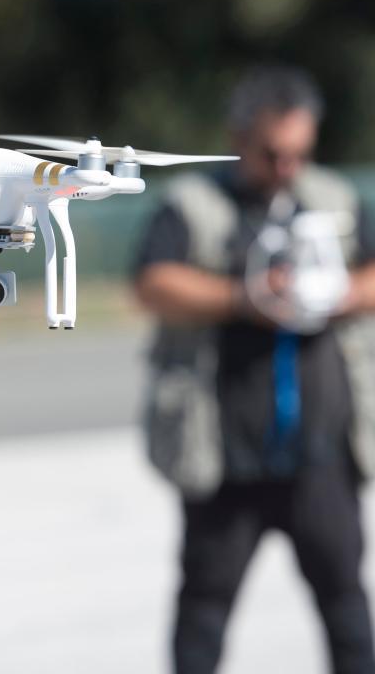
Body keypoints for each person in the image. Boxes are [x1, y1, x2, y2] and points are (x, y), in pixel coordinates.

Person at [133, 66, 375, 674]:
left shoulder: (334, 199)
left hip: (322, 458)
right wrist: (246, 298)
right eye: (273, 154)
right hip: (225, 457)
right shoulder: (196, 205)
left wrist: (335, 293)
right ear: (240, 138)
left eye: (300, 153)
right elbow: (153, 282)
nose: (287, 167)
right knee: (204, 613)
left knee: (347, 608)